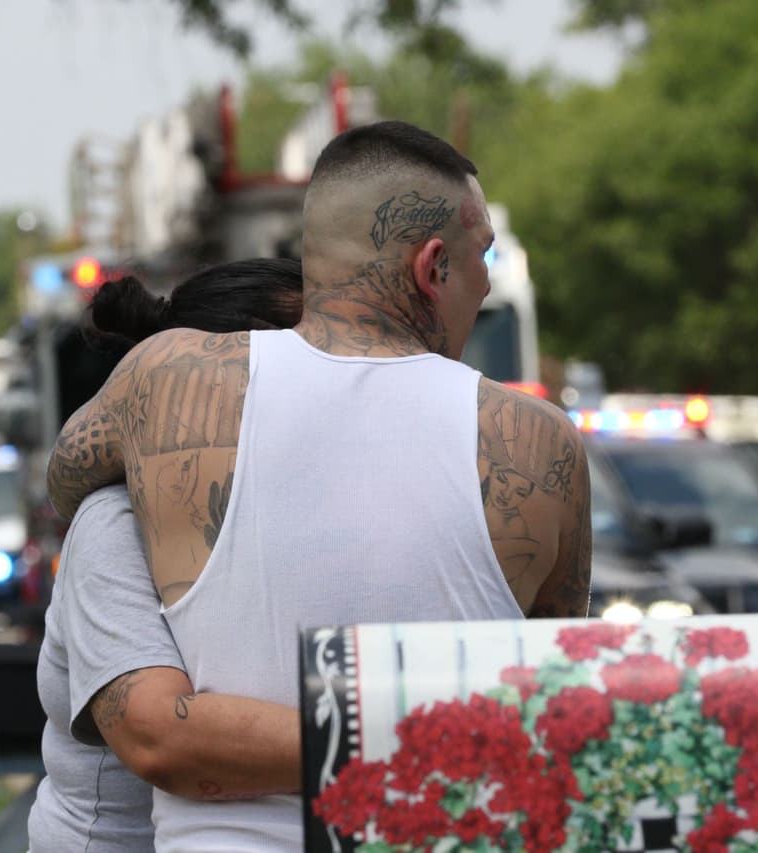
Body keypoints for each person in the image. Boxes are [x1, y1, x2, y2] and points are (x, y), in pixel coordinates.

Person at [44, 121, 592, 849]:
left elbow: (67, 480)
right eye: (481, 253)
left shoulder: (165, 378)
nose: (486, 279)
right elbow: (556, 705)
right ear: (434, 266)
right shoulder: (540, 443)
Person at [28, 260, 305, 851]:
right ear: (211, 382)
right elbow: (159, 738)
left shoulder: (286, 504)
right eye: (308, 362)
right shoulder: (117, 522)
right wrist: (402, 740)